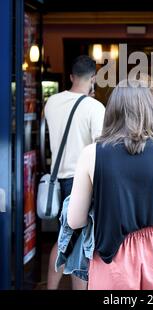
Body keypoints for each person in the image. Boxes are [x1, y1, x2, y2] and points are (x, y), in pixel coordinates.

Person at [67, 78, 153, 290]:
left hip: (113, 252)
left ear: (112, 111)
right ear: (150, 110)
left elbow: (75, 221)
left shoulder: (91, 153)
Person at [45, 55, 105, 290]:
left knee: (68, 239)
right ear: (94, 79)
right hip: (80, 182)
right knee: (74, 242)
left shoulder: (51, 102)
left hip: (55, 179)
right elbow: (101, 149)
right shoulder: (94, 107)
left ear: (71, 77)